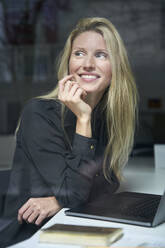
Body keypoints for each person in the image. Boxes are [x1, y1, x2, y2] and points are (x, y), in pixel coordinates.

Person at [0, 17, 138, 247]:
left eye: (101, 55)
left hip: (76, 224)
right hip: (31, 236)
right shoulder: (40, 113)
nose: (88, 64)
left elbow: (109, 181)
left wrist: (57, 200)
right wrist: (83, 120)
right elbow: (73, 195)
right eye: (80, 53)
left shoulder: (105, 115)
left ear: (116, 68)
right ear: (69, 63)